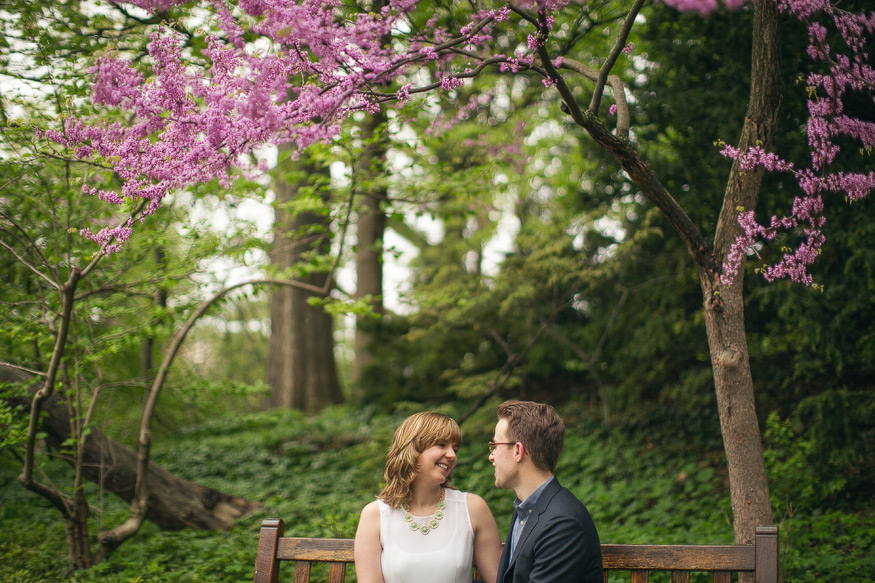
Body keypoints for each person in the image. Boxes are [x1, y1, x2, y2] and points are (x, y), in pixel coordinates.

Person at [354, 412, 502, 583]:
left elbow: (497, 579)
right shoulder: (375, 515)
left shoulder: (472, 508)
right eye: (441, 445)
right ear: (413, 449)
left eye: (455, 449)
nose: (452, 455)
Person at [489, 400, 602, 583]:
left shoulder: (563, 523)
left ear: (518, 451)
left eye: (495, 445)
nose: (491, 456)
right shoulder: (526, 509)